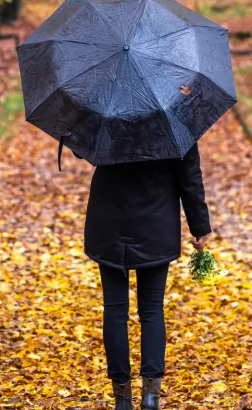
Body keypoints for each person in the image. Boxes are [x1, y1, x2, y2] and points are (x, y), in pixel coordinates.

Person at [84, 143, 213, 410]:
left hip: (109, 223)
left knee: (115, 310)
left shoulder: (106, 112)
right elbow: (189, 177)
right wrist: (199, 226)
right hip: (156, 223)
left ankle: (122, 398)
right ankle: (150, 395)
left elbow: (83, 148)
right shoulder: (175, 121)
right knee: (152, 309)